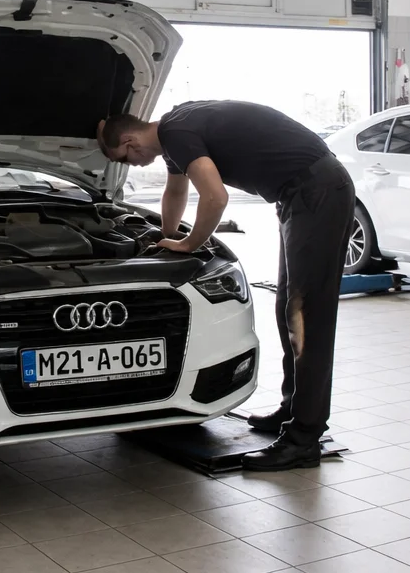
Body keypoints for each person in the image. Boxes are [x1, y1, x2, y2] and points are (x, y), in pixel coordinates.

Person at [98, 101, 354, 470]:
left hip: (318, 191)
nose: (128, 164)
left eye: (121, 157)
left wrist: (189, 244)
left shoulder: (176, 132)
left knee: (306, 315)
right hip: (302, 194)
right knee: (289, 307)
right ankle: (292, 410)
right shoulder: (174, 132)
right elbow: (175, 192)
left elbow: (216, 197)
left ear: (129, 140)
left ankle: (304, 439)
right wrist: (164, 238)